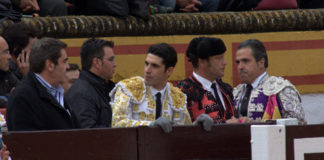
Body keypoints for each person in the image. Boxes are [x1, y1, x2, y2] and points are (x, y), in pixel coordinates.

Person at [110, 43, 213, 133]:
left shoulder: (177, 96)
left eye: (154, 66)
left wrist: (196, 127)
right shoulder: (128, 88)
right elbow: (117, 123)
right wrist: (151, 125)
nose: (147, 70)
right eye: (147, 64)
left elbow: (181, 131)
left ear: (169, 71)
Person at [7, 37, 79, 131]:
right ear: (50, 65)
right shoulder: (22, 97)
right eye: (64, 61)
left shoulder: (57, 93)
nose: (68, 66)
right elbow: (26, 141)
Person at [234, 39, 306, 124]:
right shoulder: (235, 93)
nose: (240, 67)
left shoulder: (280, 88)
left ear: (261, 62)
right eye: (238, 62)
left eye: (245, 61)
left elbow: (298, 125)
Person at [178, 37, 243, 124]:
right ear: (202, 62)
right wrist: (226, 125)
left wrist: (242, 121)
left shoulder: (226, 89)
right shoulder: (184, 92)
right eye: (218, 58)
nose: (224, 62)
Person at [66, 38, 116, 128]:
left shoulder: (107, 88)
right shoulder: (81, 93)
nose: (115, 64)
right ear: (97, 62)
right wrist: (118, 131)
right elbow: (88, 133)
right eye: (111, 59)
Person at [0, 36, 19, 108]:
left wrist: (27, 74)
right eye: (5, 52)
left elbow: (24, 93)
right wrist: (10, 96)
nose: (9, 57)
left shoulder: (6, 73)